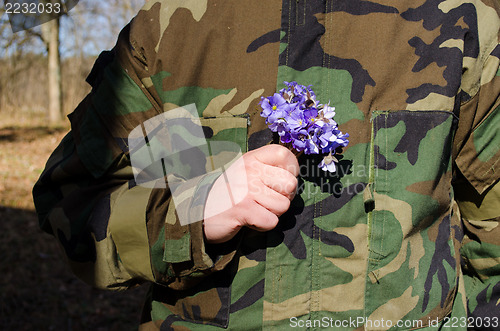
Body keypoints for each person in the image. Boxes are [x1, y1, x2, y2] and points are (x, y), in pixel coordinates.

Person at [33, 0, 500, 329]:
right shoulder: (171, 31)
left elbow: (493, 233)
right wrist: (191, 211)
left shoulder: (462, 20)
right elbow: (75, 204)